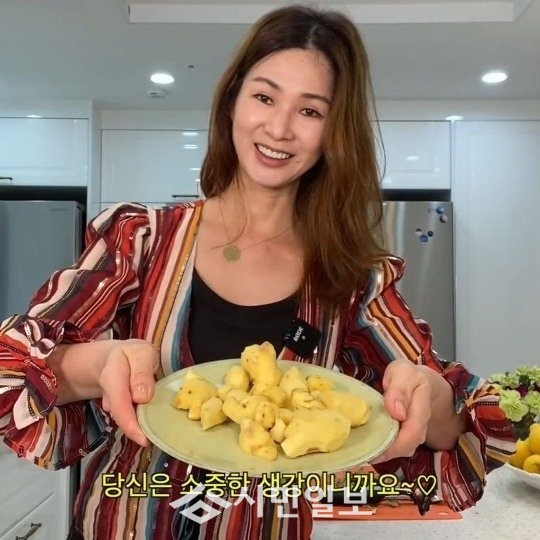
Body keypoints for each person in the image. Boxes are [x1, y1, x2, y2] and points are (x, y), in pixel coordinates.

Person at [0, 5, 515, 540]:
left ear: (334, 132)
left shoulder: (349, 278)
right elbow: (14, 370)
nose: (279, 128)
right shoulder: (141, 239)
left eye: (310, 111)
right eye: (265, 97)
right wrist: (99, 364)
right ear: (232, 102)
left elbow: (455, 427)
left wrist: (427, 394)